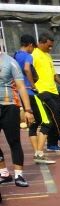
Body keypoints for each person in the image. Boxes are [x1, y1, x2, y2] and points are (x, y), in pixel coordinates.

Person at [31, 32, 60, 153]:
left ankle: (52, 144)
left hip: (53, 91)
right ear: (41, 42)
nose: (50, 48)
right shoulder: (34, 54)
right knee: (54, 114)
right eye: (48, 46)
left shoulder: (48, 56)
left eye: (51, 46)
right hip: (42, 91)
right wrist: (33, 87)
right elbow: (27, 71)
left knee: (54, 115)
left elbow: (54, 75)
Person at [0, 50, 32, 187]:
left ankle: (19, 175)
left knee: (14, 141)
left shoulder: (10, 62)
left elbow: (21, 87)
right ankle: (4, 173)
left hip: (9, 106)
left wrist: (28, 110)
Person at [14, 35, 47, 166]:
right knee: (46, 122)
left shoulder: (15, 55)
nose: (33, 50)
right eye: (33, 48)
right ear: (30, 45)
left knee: (34, 122)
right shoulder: (28, 56)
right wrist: (33, 85)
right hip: (30, 92)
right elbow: (27, 68)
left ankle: (37, 152)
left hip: (20, 93)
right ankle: (39, 153)